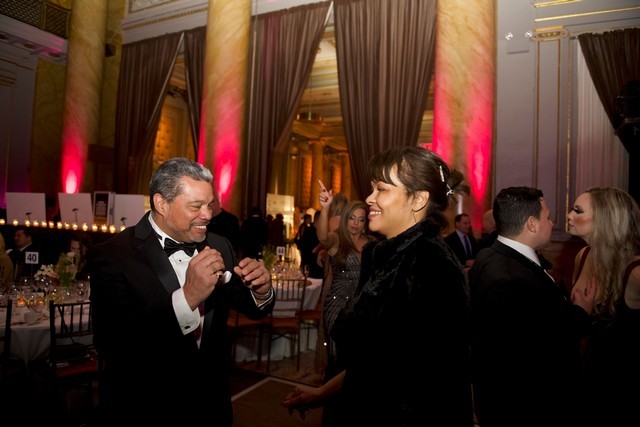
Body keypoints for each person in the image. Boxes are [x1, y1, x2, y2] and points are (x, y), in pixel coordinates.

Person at [282, 146, 474, 426]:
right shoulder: (388, 256)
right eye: (372, 189)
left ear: (418, 199)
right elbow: (375, 358)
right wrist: (324, 392)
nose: (370, 198)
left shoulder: (432, 264)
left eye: (381, 189)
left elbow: (436, 382)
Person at [87, 157, 274, 426]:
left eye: (209, 204)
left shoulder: (220, 244)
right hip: (145, 405)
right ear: (161, 203)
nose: (208, 215)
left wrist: (262, 290)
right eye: (196, 206)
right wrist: (187, 298)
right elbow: (112, 342)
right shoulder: (113, 255)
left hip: (211, 404)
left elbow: (250, 306)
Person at [469, 186, 596, 427]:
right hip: (524, 407)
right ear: (532, 224)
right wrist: (581, 313)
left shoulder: (489, 255)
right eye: (547, 217)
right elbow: (543, 342)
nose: (552, 223)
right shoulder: (510, 278)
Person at [567, 187, 640, 427]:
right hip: (583, 378)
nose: (569, 215)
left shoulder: (636, 273)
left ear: (606, 219)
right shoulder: (583, 255)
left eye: (578, 211)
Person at [314, 185, 373, 426]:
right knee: (338, 362)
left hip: (362, 310)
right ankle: (333, 415)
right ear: (346, 218)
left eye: (361, 219)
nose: (356, 224)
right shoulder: (338, 240)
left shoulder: (372, 244)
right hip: (337, 309)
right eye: (352, 218)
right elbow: (322, 237)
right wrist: (325, 208)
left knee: (358, 365)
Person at [206, 191, 241, 255]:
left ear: (216, 202)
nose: (207, 208)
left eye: (209, 204)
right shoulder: (205, 220)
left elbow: (235, 243)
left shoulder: (231, 219)